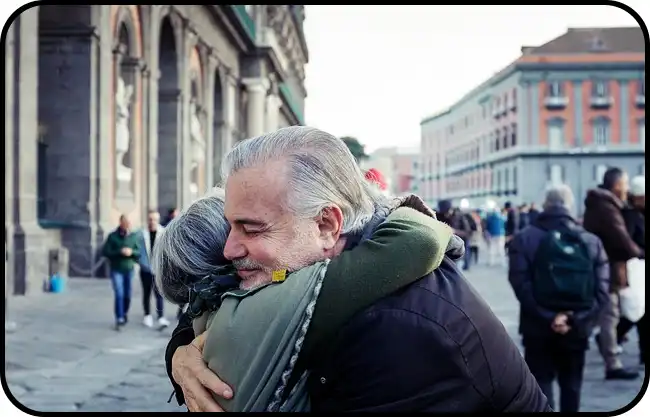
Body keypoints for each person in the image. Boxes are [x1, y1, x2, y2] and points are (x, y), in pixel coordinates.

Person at [165, 126, 551, 412]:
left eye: (252, 228)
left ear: (327, 225)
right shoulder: (302, 267)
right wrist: (181, 353)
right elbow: (217, 297)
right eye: (231, 225)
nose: (230, 248)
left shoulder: (400, 328)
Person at [153, 188, 456, 411]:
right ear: (234, 261)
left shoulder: (211, 315)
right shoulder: (290, 298)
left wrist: (178, 352)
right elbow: (419, 240)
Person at [508, 185, 609, 412]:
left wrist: (549, 317)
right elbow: (602, 291)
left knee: (541, 386)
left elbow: (520, 284)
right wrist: (573, 319)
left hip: (537, 327)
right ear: (571, 206)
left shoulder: (524, 239)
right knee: (572, 386)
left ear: (544, 204)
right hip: (577, 328)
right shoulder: (591, 241)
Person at [583, 167, 643, 380]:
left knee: (605, 314)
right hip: (607, 270)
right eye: (625, 183)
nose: (627, 188)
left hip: (607, 268)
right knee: (609, 314)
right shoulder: (607, 208)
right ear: (617, 185)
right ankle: (613, 364)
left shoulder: (605, 205)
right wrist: (639, 253)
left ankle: (604, 351)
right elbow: (621, 239)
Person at [617, 175, 646, 366]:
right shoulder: (629, 215)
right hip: (635, 267)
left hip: (640, 266)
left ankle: (613, 334)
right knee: (638, 311)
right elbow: (628, 244)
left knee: (639, 311)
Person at [102, 214, 141, 330]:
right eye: (126, 222)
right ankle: (119, 317)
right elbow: (105, 252)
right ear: (121, 223)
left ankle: (124, 313)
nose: (128, 224)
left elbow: (139, 252)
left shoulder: (134, 236)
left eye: (129, 222)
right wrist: (119, 252)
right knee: (119, 293)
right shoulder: (112, 236)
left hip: (129, 269)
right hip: (116, 269)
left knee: (127, 295)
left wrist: (131, 252)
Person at [137, 210, 170, 329]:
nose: (152, 222)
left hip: (158, 269)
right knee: (146, 293)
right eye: (150, 219)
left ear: (158, 220)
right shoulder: (141, 233)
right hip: (145, 269)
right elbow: (137, 249)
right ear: (147, 220)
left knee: (159, 294)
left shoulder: (163, 233)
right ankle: (147, 316)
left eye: (155, 219)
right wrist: (140, 262)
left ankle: (161, 317)